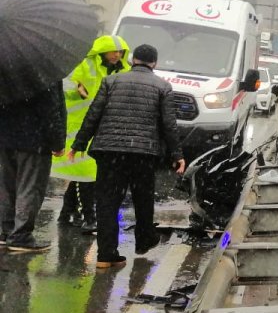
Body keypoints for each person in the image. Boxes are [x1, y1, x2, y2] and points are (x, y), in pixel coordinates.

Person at [70, 44, 184, 268]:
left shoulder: (111, 81)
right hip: (144, 153)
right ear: (154, 63)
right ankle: (143, 240)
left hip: (109, 151)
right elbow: (169, 125)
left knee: (107, 202)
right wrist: (176, 154)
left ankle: (106, 254)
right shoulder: (163, 86)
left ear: (132, 60)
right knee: (143, 198)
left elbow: (94, 114)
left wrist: (79, 143)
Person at [53, 34, 130, 233]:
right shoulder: (85, 65)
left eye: (120, 52)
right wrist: (77, 89)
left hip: (103, 128)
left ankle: (66, 212)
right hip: (79, 127)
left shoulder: (123, 71)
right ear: (102, 51)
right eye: (113, 51)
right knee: (85, 174)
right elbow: (63, 86)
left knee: (85, 173)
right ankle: (89, 216)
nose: (117, 55)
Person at [0, 83, 66, 253]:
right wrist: (57, 142)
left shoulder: (7, 72)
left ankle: (7, 231)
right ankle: (20, 236)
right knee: (30, 187)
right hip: (34, 140)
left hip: (6, 138)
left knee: (8, 186)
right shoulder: (43, 74)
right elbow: (51, 110)